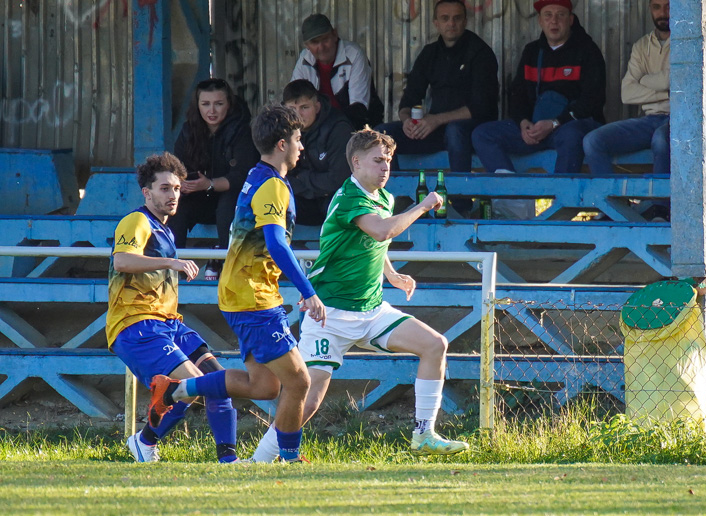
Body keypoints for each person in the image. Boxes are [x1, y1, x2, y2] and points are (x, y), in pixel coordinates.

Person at [250, 127, 469, 462]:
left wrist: (392, 274)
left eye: (388, 161)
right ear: (356, 162)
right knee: (307, 400)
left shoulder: (384, 198)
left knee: (434, 344)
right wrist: (424, 206)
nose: (385, 168)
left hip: (371, 311)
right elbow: (382, 229)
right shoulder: (351, 197)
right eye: (378, 160)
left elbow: (376, 243)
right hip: (330, 315)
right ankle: (261, 459)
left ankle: (423, 433)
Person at [148, 105, 327, 463]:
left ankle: (175, 389)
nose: (301, 147)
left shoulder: (255, 175)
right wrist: (309, 292)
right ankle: (288, 459)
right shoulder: (273, 185)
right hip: (253, 297)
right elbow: (276, 243)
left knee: (264, 386)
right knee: (299, 383)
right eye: (297, 139)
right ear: (281, 144)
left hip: (239, 293)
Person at [108, 152, 244, 463]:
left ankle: (230, 460)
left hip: (168, 324)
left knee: (217, 381)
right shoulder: (137, 220)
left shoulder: (165, 229)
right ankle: (144, 442)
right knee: (191, 386)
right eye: (165, 188)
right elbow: (122, 260)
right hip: (136, 325)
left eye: (177, 189)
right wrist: (172, 261)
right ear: (147, 192)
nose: (173, 195)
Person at [471, 0, 605, 174]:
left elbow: (592, 101)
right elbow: (517, 95)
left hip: (566, 127)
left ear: (571, 20)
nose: (554, 21)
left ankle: (562, 197)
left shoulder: (588, 51)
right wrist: (523, 123)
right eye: (548, 15)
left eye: (561, 15)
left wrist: (555, 123)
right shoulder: (532, 51)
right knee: (482, 134)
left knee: (572, 135)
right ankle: (512, 195)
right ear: (540, 21)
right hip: (535, 129)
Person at [375, 0, 499, 176]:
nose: (451, 23)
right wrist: (407, 122)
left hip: (471, 131)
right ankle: (395, 196)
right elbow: (409, 99)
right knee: (382, 134)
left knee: (455, 130)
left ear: (465, 21)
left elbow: (482, 106)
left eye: (457, 18)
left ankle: (460, 201)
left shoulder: (480, 52)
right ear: (436, 23)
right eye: (445, 18)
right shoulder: (430, 53)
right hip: (436, 130)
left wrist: (436, 120)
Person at [170, 78, 259, 279]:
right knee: (176, 206)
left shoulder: (241, 131)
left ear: (229, 104)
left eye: (219, 104)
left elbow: (243, 175)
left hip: (229, 198)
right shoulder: (188, 130)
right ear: (197, 105)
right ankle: (173, 267)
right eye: (205, 104)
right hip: (198, 197)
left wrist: (209, 184)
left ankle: (228, 266)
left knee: (229, 203)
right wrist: (182, 184)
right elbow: (176, 168)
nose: (212, 110)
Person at [583, 0, 670, 175]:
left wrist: (644, 80)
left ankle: (660, 203)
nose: (663, 13)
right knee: (592, 140)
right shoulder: (641, 46)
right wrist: (668, 93)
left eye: (669, 6)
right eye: (656, 7)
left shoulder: (689, 42)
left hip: (679, 119)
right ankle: (612, 198)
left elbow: (673, 79)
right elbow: (627, 93)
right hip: (649, 119)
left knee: (661, 140)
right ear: (650, 10)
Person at [292, 13, 384, 130]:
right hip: (317, 128)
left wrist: (326, 129)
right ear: (307, 46)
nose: (321, 47)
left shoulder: (354, 54)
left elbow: (358, 108)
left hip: (355, 127)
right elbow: (293, 98)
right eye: (315, 42)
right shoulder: (304, 58)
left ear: (335, 35)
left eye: (325, 39)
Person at [282, 79, 353, 226]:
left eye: (304, 107)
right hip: (305, 197)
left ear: (317, 106)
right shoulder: (282, 129)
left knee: (337, 208)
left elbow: (338, 180)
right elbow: (281, 177)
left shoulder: (338, 128)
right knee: (272, 202)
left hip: (333, 199)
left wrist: (302, 178)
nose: (298, 115)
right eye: (292, 109)